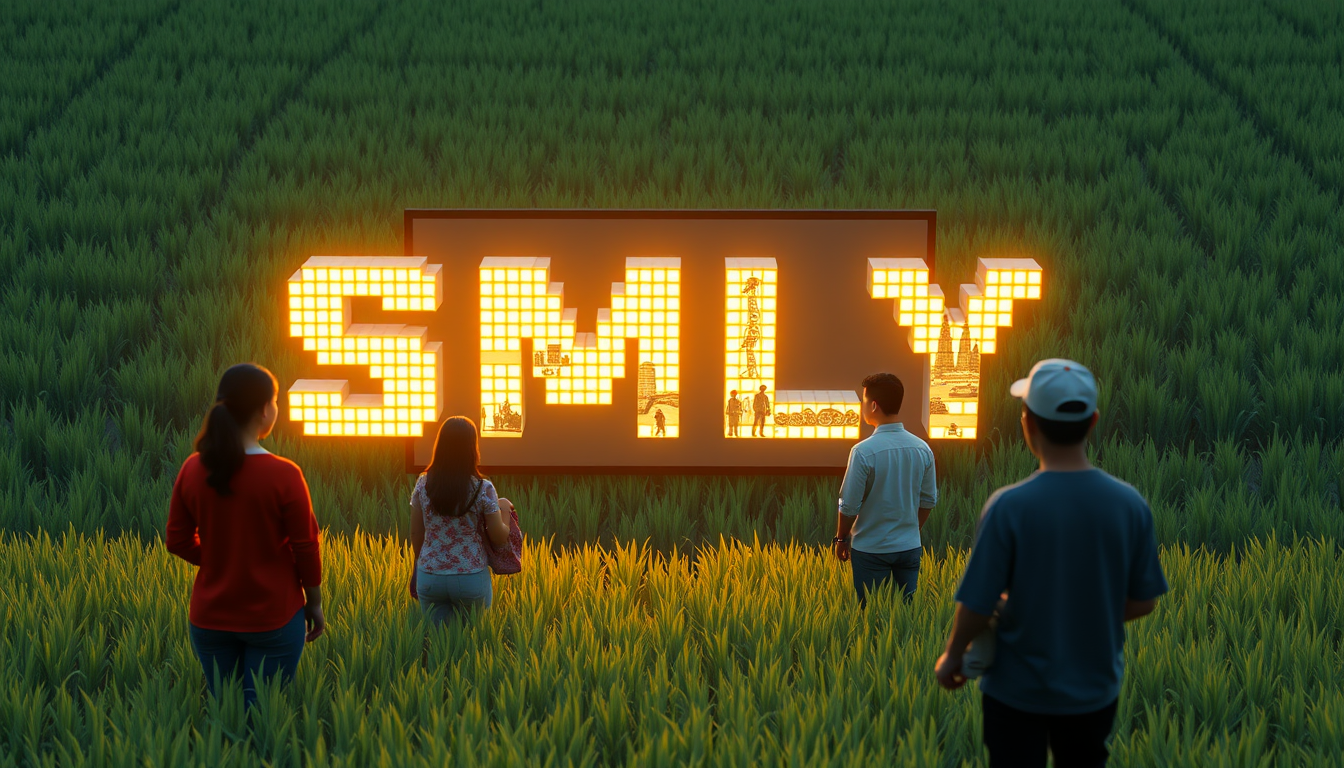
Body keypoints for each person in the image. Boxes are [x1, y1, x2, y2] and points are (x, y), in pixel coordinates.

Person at [934, 359, 1169, 768]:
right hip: (1093, 689)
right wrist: (1085, 613)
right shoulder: (1129, 504)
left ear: (1028, 423)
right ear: (1093, 421)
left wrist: (953, 655)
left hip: (1015, 691)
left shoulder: (1009, 507)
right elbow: (1144, 601)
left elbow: (977, 602)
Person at [166, 363, 324, 711]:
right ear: (265, 410)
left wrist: (219, 558)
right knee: (263, 717)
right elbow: (306, 547)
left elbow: (176, 540)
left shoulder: (193, 468)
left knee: (225, 714)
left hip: (209, 619)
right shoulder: (284, 475)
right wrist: (314, 603)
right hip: (274, 617)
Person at [833, 373, 936, 607]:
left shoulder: (862, 451)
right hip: (909, 547)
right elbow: (929, 500)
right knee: (907, 618)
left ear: (873, 405)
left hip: (870, 549)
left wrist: (841, 539)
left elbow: (849, 505)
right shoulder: (922, 449)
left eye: (863, 401)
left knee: (870, 616)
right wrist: (911, 528)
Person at [409, 416, 515, 624]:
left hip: (430, 576)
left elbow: (416, 533)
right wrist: (503, 509)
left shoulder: (423, 484)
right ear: (471, 448)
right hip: (470, 576)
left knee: (438, 643)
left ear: (440, 446)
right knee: (472, 641)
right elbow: (499, 537)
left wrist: (422, 563)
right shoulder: (483, 488)